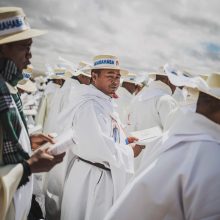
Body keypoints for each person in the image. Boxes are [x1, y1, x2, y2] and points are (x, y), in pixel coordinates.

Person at [104, 73, 220, 220]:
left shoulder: (140, 98)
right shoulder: (209, 154)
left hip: (141, 158)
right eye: (171, 82)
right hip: (140, 153)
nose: (173, 86)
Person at [0, 7, 65, 220]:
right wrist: (28, 166)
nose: (29, 57)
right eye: (24, 48)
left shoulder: (7, 89)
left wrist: (28, 141)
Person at [60, 55, 143, 220]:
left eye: (118, 77)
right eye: (110, 76)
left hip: (100, 175)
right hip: (92, 180)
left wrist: (124, 141)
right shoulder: (90, 105)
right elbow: (96, 147)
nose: (115, 81)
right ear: (94, 76)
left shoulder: (103, 101)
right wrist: (129, 151)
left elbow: (106, 135)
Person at [44, 62, 91, 220]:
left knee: (54, 181)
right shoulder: (74, 90)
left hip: (56, 138)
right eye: (89, 78)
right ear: (83, 76)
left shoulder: (65, 88)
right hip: (66, 142)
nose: (91, 82)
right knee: (62, 183)